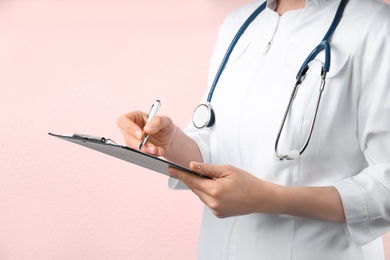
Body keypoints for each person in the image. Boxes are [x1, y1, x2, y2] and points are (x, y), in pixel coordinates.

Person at [117, 0, 390, 259]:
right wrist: (171, 141)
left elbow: (385, 186)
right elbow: (217, 148)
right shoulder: (239, 23)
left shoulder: (375, 26)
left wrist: (267, 198)